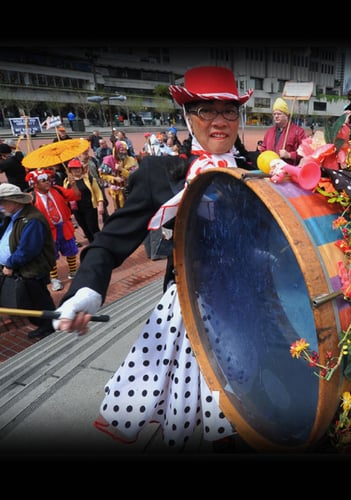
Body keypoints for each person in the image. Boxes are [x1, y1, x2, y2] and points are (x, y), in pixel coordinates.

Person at [52, 65, 256, 451]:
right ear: (187, 115)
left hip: (254, 316)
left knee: (250, 420)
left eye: (229, 111)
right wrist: (85, 293)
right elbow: (108, 243)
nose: (219, 121)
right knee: (209, 420)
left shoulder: (259, 169)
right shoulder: (160, 173)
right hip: (190, 317)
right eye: (206, 110)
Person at [0, 183, 57, 339]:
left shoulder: (32, 219)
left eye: (3, 202)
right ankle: (45, 325)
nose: (1, 206)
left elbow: (28, 250)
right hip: (24, 270)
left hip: (32, 270)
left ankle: (49, 326)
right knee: (32, 300)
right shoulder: (13, 216)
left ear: (14, 201)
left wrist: (10, 263)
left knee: (39, 300)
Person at [26, 168, 81, 291]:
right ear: (35, 184)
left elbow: (75, 196)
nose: (47, 182)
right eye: (43, 180)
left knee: (71, 250)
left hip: (64, 227)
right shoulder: (32, 198)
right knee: (51, 256)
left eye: (48, 179)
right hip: (48, 232)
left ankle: (73, 272)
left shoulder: (57, 189)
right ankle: (54, 278)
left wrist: (74, 185)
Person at [63, 158, 105, 243]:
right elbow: (65, 195)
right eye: (74, 168)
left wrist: (100, 204)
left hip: (90, 207)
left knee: (93, 227)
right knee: (85, 228)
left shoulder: (89, 178)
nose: (76, 170)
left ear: (82, 168)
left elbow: (97, 192)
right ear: (70, 170)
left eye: (78, 168)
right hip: (76, 209)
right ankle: (92, 244)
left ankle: (100, 243)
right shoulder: (67, 181)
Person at [257, 97, 306, 165]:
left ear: (286, 115)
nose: (276, 116)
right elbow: (263, 149)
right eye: (274, 114)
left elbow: (304, 152)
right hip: (270, 168)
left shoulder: (298, 132)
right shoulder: (269, 132)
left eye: (279, 114)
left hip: (288, 169)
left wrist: (289, 155)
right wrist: (262, 151)